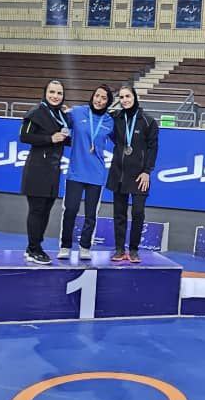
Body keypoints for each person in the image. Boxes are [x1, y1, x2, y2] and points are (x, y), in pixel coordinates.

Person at [58, 85, 114, 260]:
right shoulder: (77, 112)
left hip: (96, 174)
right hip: (76, 171)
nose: (99, 100)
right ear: (92, 96)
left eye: (104, 98)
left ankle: (85, 246)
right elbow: (61, 121)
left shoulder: (110, 121)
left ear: (108, 102)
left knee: (91, 214)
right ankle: (65, 246)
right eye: (97, 96)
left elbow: (122, 141)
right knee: (70, 210)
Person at [19, 79, 71, 265]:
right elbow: (24, 136)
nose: (55, 96)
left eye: (59, 93)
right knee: (37, 210)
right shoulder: (36, 112)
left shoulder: (61, 114)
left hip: (53, 170)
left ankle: (34, 247)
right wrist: (50, 138)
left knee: (46, 210)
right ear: (45, 93)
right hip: (37, 169)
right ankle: (34, 249)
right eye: (52, 92)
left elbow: (65, 138)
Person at [106, 85, 158, 264]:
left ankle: (134, 249)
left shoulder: (148, 121)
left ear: (135, 97)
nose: (125, 100)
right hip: (119, 173)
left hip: (139, 175)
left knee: (138, 212)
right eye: (121, 97)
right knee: (119, 214)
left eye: (127, 96)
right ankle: (120, 249)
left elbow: (153, 148)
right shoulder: (116, 118)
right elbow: (97, 115)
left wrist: (147, 171)